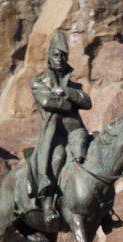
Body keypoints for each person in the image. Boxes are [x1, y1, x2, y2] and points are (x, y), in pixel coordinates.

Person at [28, 31, 91, 227]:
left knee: (99, 159)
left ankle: (105, 211)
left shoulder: (73, 85)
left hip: (76, 133)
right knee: (56, 160)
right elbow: (48, 102)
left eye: (63, 55)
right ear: (49, 56)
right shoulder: (38, 82)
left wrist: (65, 92)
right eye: (56, 54)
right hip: (53, 137)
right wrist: (71, 102)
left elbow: (87, 102)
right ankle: (47, 207)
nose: (60, 59)